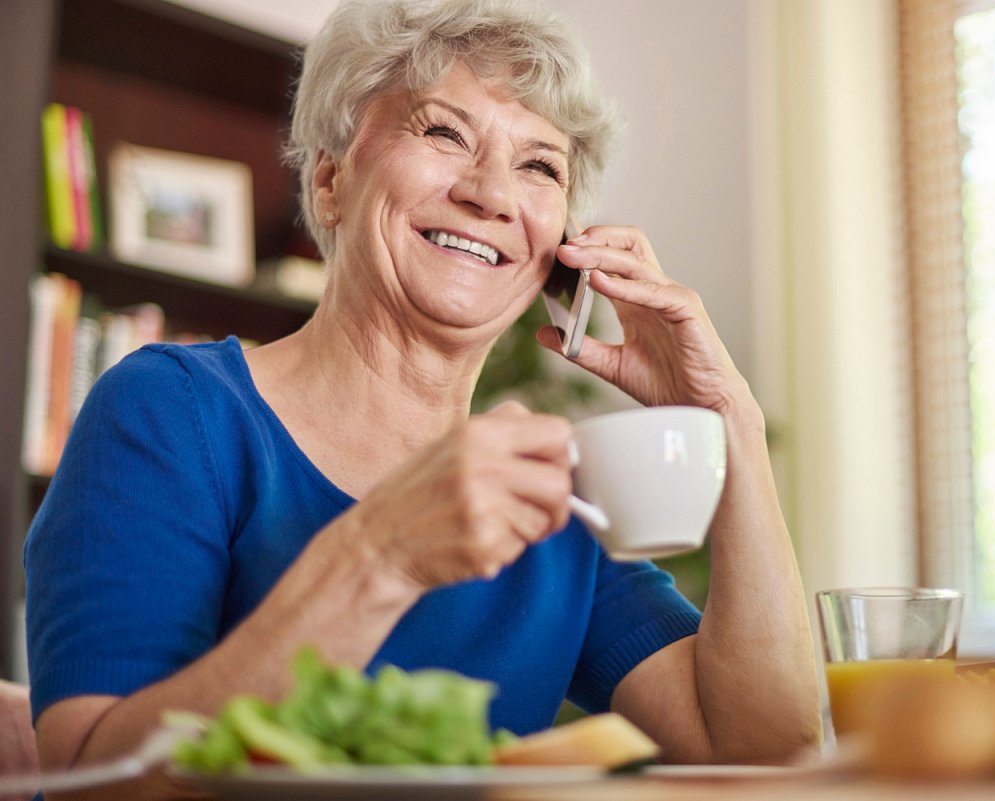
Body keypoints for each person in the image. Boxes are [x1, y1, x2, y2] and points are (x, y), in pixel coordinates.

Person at [24, 0, 821, 796]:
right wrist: (378, 555)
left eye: (540, 166)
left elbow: (757, 746)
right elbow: (96, 781)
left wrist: (730, 420)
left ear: (563, 256)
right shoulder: (171, 413)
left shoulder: (557, 499)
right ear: (331, 180)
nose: (491, 194)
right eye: (443, 132)